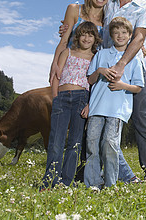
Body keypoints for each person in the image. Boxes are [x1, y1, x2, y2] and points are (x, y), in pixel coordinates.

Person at [60, 0, 146, 187]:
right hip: (103, 70)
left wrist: (122, 64)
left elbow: (138, 37)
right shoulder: (110, 4)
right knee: (96, 124)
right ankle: (93, 173)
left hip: (130, 69)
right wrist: (68, 27)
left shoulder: (144, 6)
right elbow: (91, 19)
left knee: (141, 122)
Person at [84, 17, 144, 189]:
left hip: (117, 110)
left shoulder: (134, 60)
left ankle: (110, 185)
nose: (120, 35)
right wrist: (100, 70)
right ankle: (93, 183)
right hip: (97, 108)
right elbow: (90, 80)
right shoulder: (101, 55)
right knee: (92, 145)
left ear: (130, 35)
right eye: (116, 32)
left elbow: (138, 87)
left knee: (110, 145)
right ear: (111, 34)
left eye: (124, 32)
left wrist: (122, 85)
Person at [41, 21, 101, 190]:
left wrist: (90, 104)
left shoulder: (95, 57)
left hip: (82, 98)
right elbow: (56, 77)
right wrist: (55, 98)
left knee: (75, 142)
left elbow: (96, 84)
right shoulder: (67, 52)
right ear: (77, 36)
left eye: (90, 35)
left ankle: (66, 181)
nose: (86, 38)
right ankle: (50, 180)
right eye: (83, 34)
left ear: (95, 38)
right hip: (62, 97)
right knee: (56, 141)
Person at [50, 0, 110, 84]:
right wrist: (55, 63)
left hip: (93, 71)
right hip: (70, 68)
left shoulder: (108, 19)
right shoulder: (74, 10)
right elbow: (64, 41)